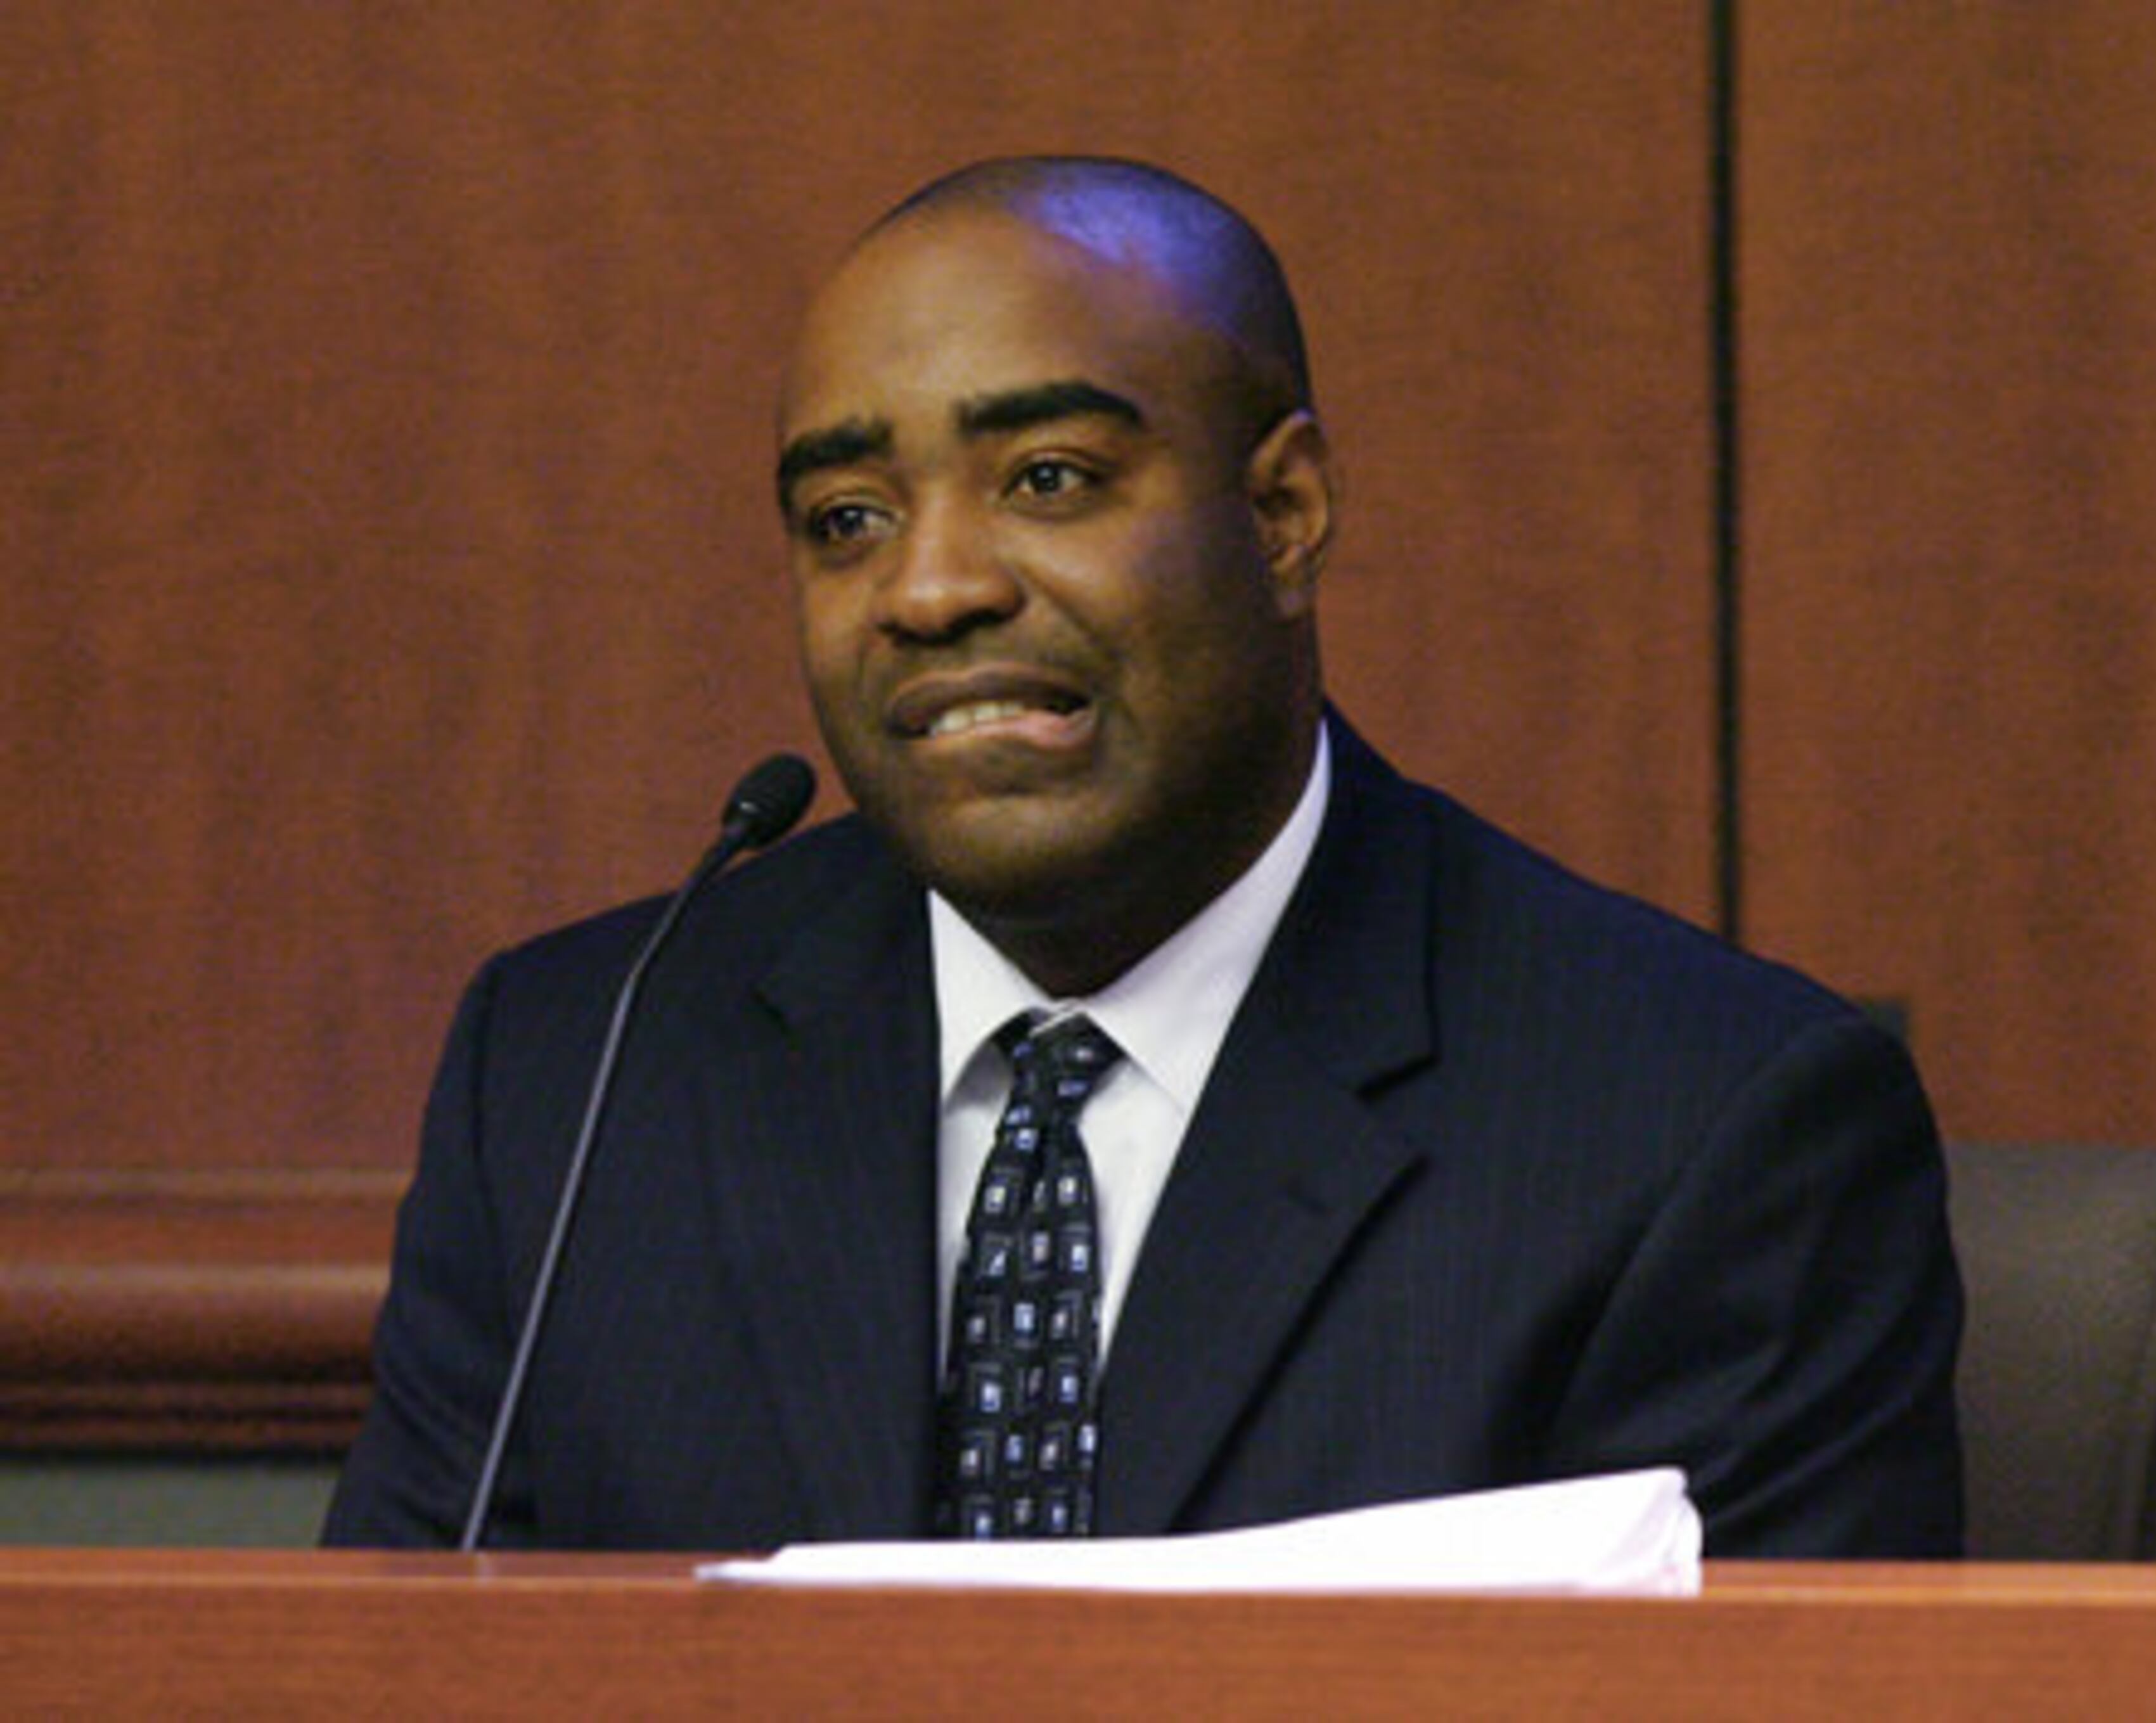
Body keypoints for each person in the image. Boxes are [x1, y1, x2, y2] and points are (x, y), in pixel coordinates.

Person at [324, 157, 1963, 1556]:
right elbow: (395, 1674)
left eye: (1048, 480)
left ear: (1285, 513)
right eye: (848, 519)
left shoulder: (1700, 1120)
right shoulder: (582, 1075)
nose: (931, 589)